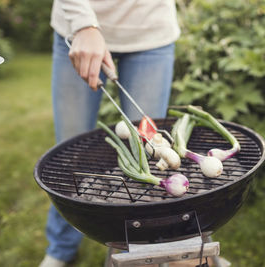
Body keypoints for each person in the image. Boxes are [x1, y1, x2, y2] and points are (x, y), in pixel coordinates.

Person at [40, 1, 180, 266]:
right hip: (76, 30)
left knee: (149, 152)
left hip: (149, 32)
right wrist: (84, 25)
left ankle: (142, 247)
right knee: (69, 158)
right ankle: (61, 247)